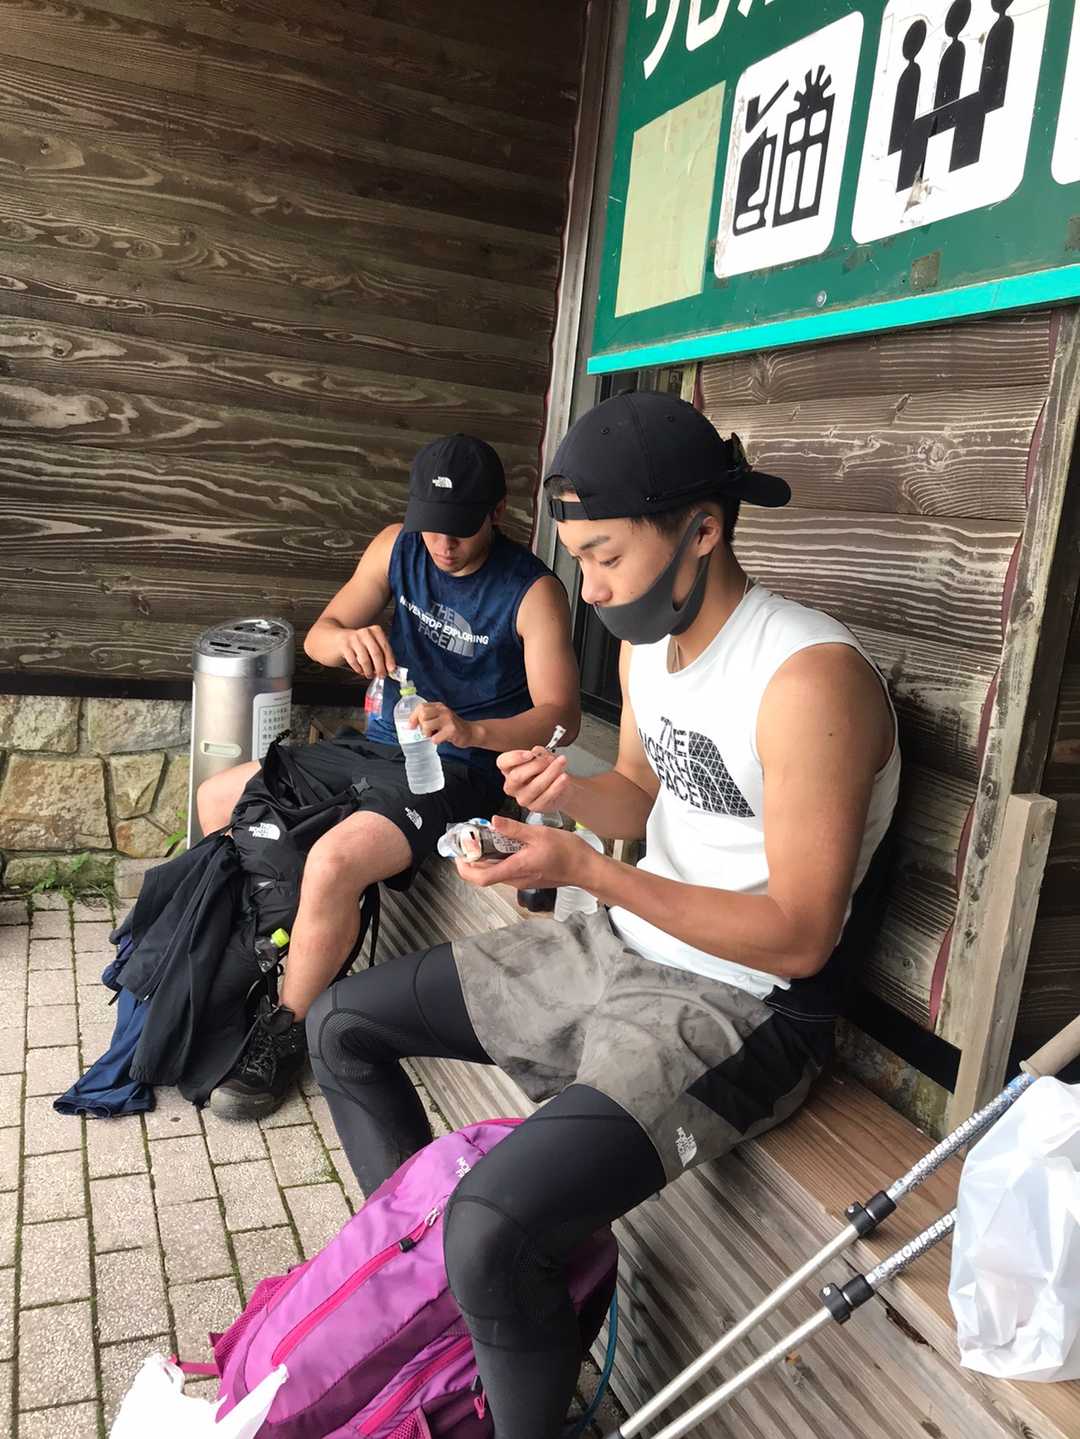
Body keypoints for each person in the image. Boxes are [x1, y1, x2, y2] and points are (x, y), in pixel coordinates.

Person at [307, 392, 900, 1439]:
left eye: (607, 557)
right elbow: (637, 794)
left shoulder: (808, 678)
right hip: (621, 944)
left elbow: (801, 932)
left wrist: (590, 870)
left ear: (702, 530)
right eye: (578, 559)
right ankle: (455, 1308)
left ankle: (499, 1333)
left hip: (744, 1004)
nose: (589, 587)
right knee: (339, 1024)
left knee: (493, 1225)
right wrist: (564, 798)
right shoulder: (648, 648)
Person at [198, 433, 580, 1120]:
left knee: (334, 860)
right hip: (376, 746)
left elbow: (564, 716)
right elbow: (321, 633)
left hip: (458, 768)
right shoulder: (395, 546)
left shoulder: (533, 592)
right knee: (218, 797)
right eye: (431, 526)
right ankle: (237, 968)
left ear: (498, 513)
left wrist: (473, 730)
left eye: (461, 528)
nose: (443, 545)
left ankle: (289, 1029)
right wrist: (344, 639)